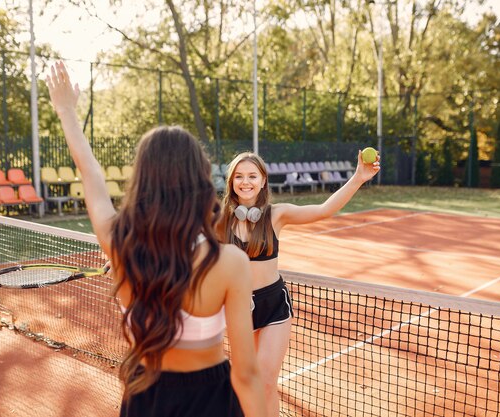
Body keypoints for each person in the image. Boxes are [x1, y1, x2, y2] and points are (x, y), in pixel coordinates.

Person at [45, 61, 266, 417]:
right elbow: (247, 374)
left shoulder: (118, 242)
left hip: (144, 397)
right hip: (211, 400)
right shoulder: (229, 263)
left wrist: (65, 109)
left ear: (142, 180)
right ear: (199, 179)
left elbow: (91, 173)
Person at [217, 151, 380, 416]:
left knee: (266, 382)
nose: (245, 182)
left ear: (263, 180)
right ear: (231, 181)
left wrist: (359, 178)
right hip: (238, 310)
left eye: (252, 176)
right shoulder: (220, 220)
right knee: (246, 382)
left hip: (273, 307)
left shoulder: (277, 215)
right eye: (239, 176)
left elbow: (324, 209)